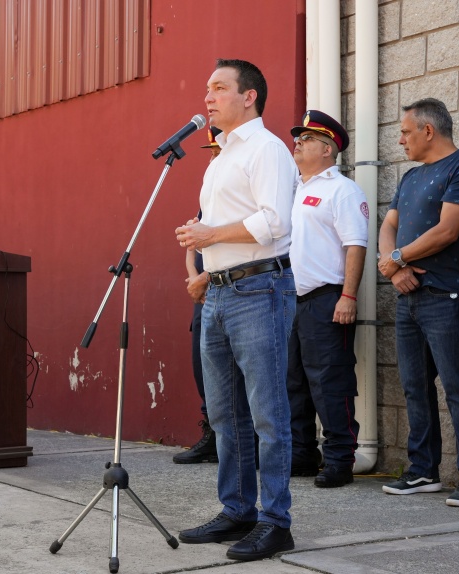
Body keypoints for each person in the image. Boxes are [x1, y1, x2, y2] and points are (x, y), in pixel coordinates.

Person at [174, 58, 297, 562]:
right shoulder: (219, 155)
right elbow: (230, 227)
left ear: (249, 97)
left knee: (267, 413)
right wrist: (207, 268)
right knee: (225, 413)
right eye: (207, 89)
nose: (208, 97)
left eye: (219, 88)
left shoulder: (266, 149)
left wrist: (210, 235)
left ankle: (275, 520)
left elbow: (274, 222)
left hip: (259, 292)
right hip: (221, 291)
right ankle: (237, 510)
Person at [377, 98, 459, 506]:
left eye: (406, 131)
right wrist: (396, 265)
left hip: (447, 295)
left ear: (428, 131)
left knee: (458, 387)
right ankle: (423, 470)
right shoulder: (409, 178)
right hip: (409, 293)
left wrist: (396, 259)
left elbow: (446, 232)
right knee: (414, 386)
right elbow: (389, 226)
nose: (401, 139)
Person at [286, 110, 367, 488]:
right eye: (298, 138)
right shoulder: (293, 189)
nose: (297, 144)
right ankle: (302, 454)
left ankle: (339, 459)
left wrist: (348, 295)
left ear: (327, 149)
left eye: (306, 139)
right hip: (290, 300)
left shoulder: (342, 190)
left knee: (329, 382)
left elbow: (355, 245)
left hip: (326, 298)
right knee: (293, 382)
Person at [173, 126, 222, 465]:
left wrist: (204, 279)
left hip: (226, 287)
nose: (213, 156)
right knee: (202, 367)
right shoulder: (210, 193)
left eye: (218, 150)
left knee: (227, 371)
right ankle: (212, 434)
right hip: (202, 294)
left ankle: (231, 438)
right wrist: (193, 279)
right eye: (211, 151)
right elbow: (192, 243)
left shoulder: (238, 192)